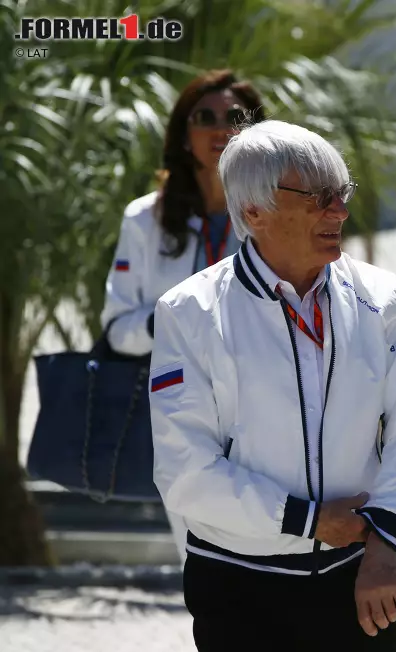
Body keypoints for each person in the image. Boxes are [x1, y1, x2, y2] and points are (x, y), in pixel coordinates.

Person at [149, 119, 396, 651]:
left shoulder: (379, 294)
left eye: (340, 193)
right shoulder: (189, 311)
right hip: (238, 586)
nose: (339, 211)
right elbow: (184, 471)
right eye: (316, 197)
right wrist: (309, 521)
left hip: (359, 576)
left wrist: (384, 542)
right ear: (253, 213)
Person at [101, 69, 266, 563]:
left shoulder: (279, 214)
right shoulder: (143, 220)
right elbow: (116, 329)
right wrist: (170, 321)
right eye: (205, 117)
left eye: (235, 117)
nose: (220, 129)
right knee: (205, 566)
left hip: (269, 410)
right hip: (182, 419)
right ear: (183, 134)